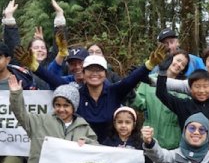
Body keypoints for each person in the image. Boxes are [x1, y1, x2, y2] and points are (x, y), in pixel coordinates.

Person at [36, 47, 167, 142]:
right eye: (90, 70)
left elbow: (131, 79)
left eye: (99, 70)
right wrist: (34, 66)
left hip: (110, 149)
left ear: (105, 74)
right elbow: (52, 79)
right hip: (81, 148)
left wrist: (149, 65)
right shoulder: (75, 94)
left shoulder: (115, 92)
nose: (94, 73)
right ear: (83, 73)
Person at [133, 52, 188, 163]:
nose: (179, 65)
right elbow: (139, 103)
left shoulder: (183, 87)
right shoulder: (149, 81)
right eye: (177, 60)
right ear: (170, 60)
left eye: (183, 64)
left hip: (174, 140)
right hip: (153, 137)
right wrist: (130, 88)